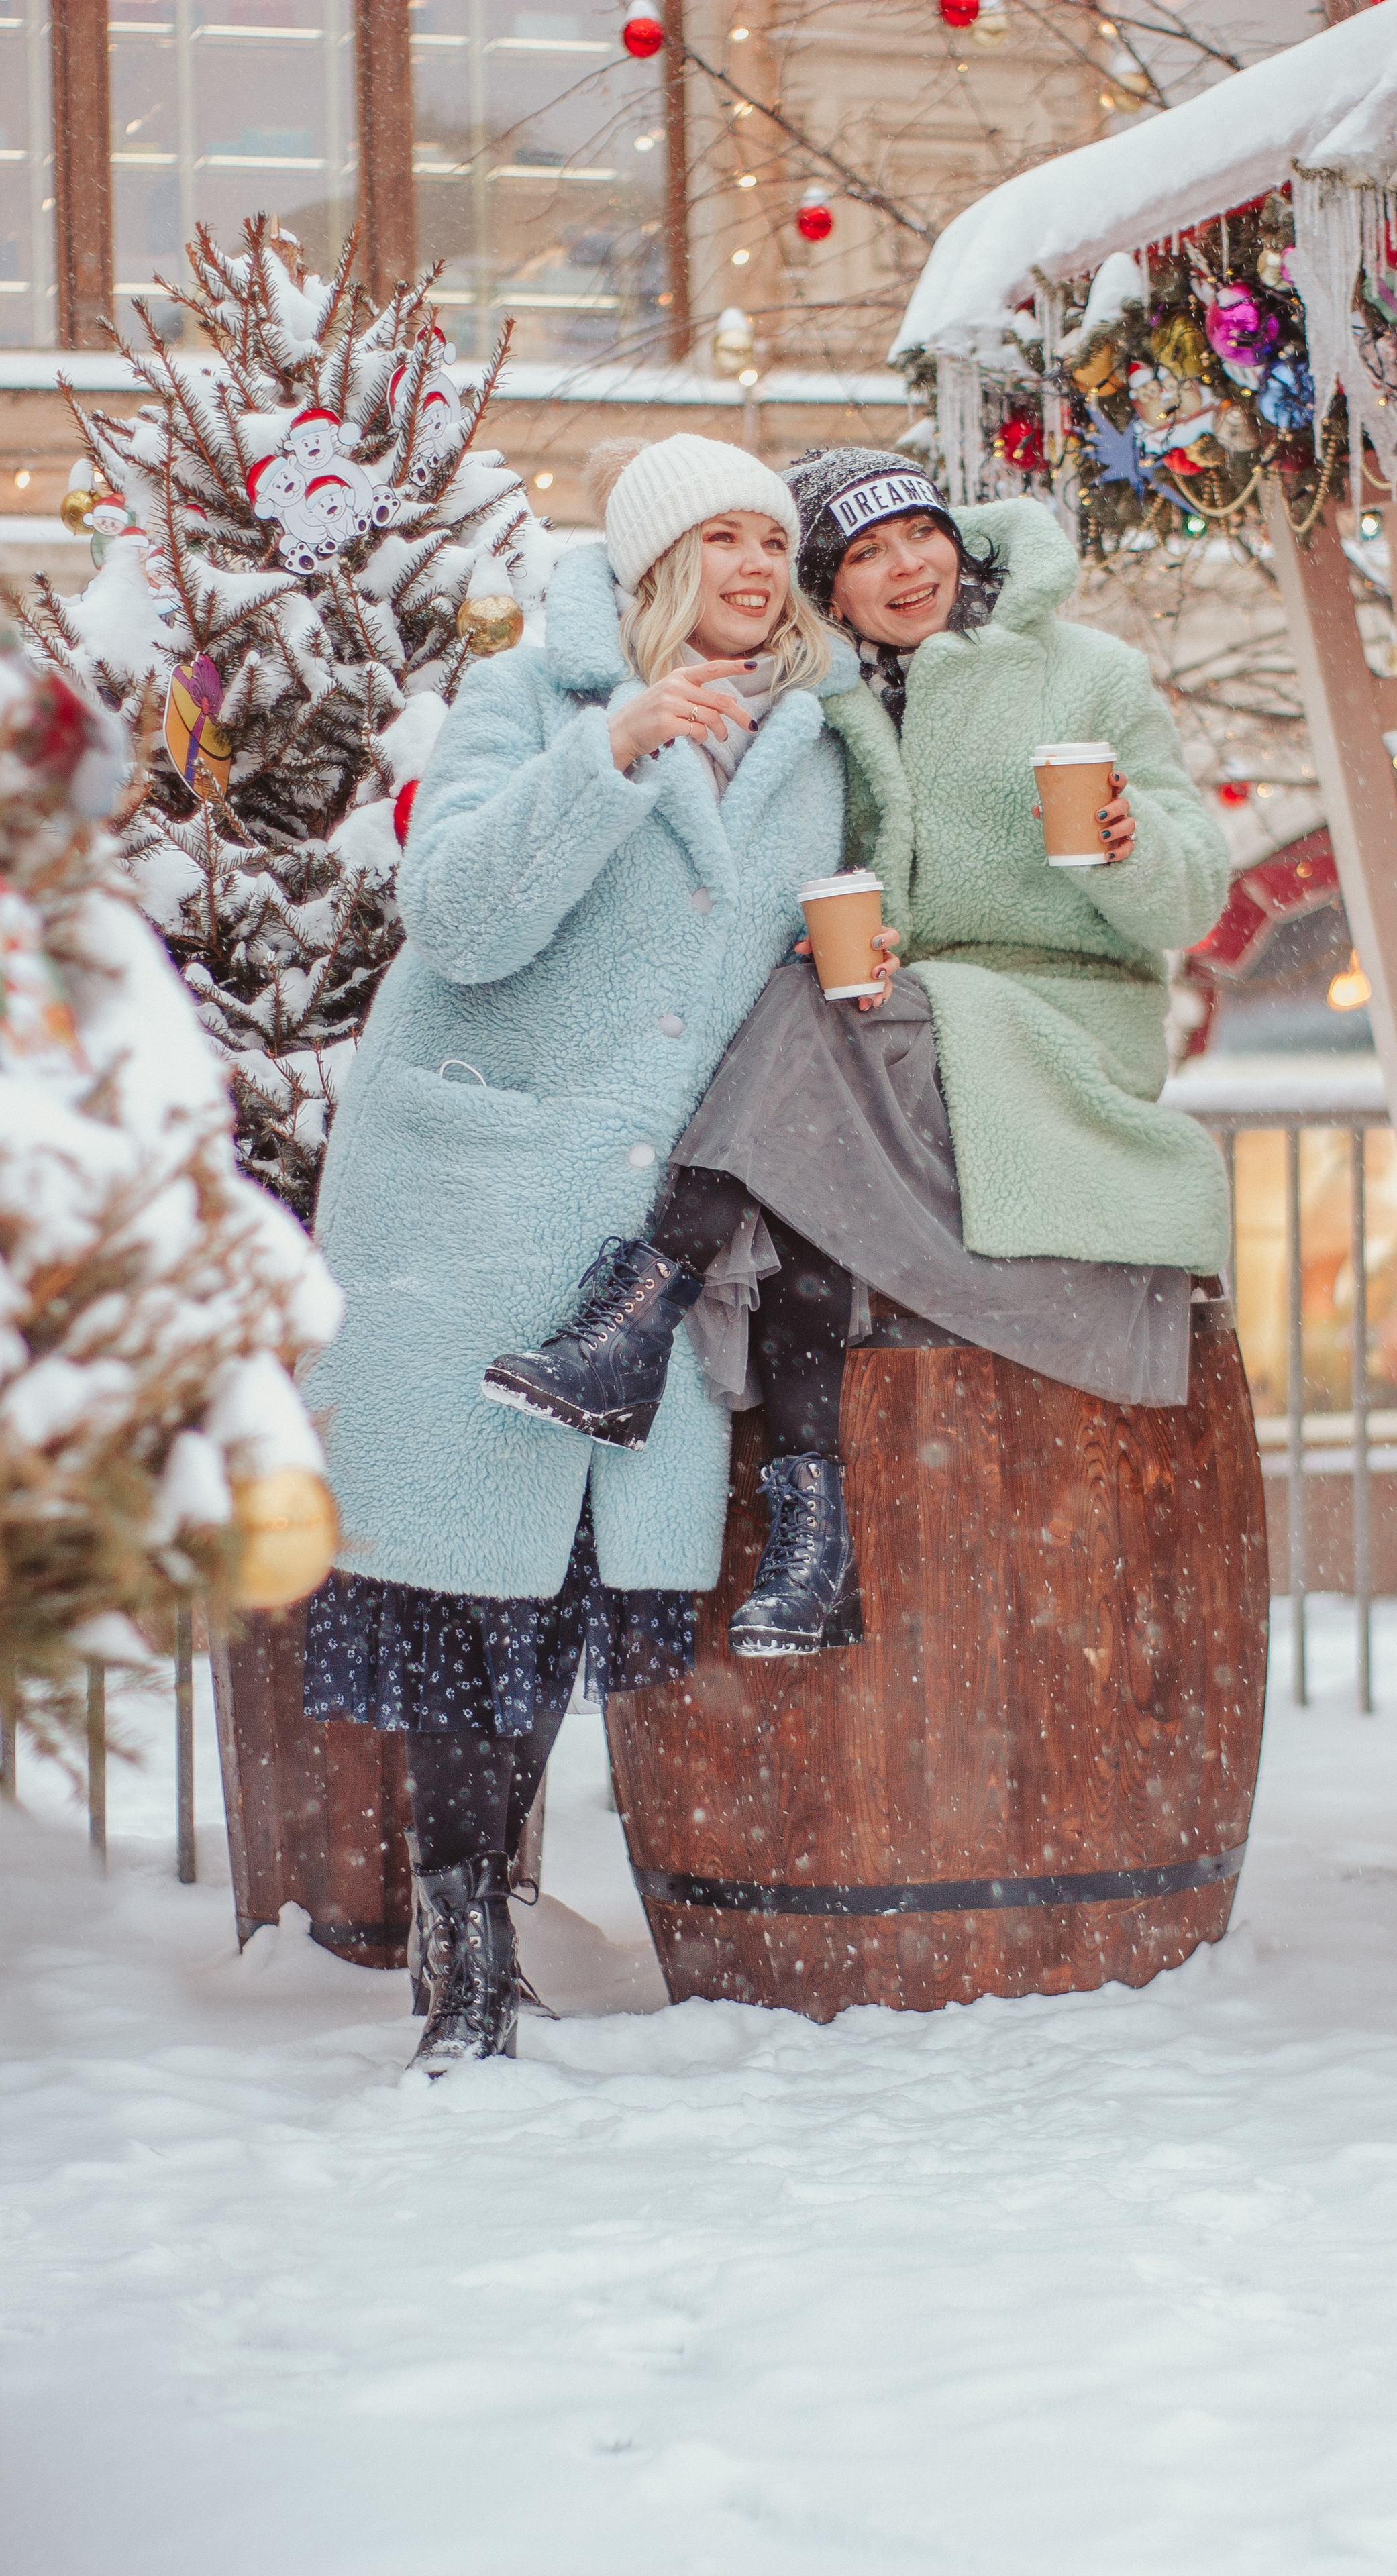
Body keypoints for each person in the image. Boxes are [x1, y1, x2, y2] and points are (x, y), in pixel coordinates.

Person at [299, 432, 854, 2070]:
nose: (756, 565)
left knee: (567, 1583)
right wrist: (608, 750)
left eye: (772, 539)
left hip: (646, 1240)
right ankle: (460, 1950)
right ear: (649, 564)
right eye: (721, 539)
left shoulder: (809, 741)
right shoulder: (532, 699)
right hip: (480, 1199)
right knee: (476, 1586)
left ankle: (496, 1925)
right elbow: (458, 915)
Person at [487, 447, 1231, 1660]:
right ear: (828, 592)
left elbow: (1190, 901)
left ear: (956, 538)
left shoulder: (1086, 674)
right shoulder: (822, 704)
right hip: (890, 1023)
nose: (907, 568)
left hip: (1057, 1026)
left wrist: (1124, 842)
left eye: (921, 535)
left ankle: (644, 1299)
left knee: (812, 1047)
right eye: (866, 554)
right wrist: (862, 944)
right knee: (808, 1084)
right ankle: (809, 1542)